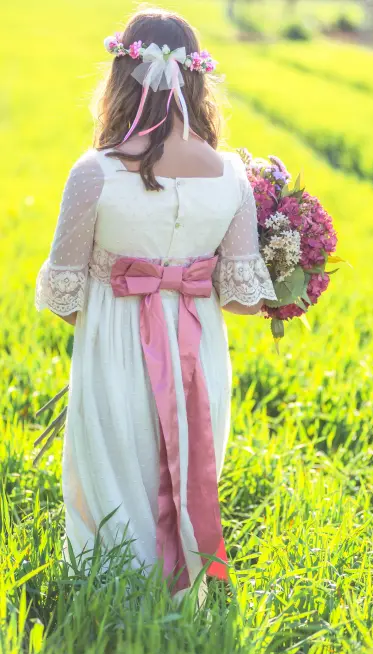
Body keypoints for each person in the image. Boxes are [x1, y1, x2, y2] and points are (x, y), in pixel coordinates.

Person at [35, 7, 276, 605]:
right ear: (196, 81)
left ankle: (113, 592)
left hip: (116, 346)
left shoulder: (94, 173)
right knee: (187, 464)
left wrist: (105, 324)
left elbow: (64, 289)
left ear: (121, 77)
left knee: (118, 467)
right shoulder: (232, 177)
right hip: (199, 350)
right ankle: (179, 590)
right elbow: (244, 296)